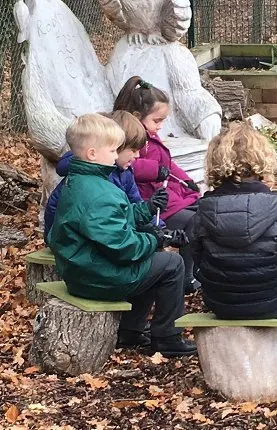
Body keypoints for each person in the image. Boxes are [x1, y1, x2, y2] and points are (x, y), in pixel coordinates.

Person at [48, 113, 196, 357]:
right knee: (172, 263)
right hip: (96, 277)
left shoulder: (79, 181)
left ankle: (130, 330)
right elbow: (123, 247)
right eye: (113, 150)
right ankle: (167, 336)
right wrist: (158, 239)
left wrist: (145, 209)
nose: (117, 156)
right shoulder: (99, 193)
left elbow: (115, 218)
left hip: (81, 270)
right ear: (92, 153)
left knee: (152, 263)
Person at [187, 122, 277, 380]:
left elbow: (197, 259)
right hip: (271, 300)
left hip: (221, 302)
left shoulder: (203, 212)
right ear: (264, 160)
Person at [114, 76, 201, 294]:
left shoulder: (151, 135)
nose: (160, 126)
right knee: (193, 222)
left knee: (203, 211)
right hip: (150, 203)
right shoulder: (133, 139)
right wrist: (154, 170)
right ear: (136, 116)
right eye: (156, 120)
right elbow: (131, 166)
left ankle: (198, 270)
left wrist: (186, 180)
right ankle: (187, 278)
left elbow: (168, 164)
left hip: (166, 195)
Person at [44, 111, 167, 243]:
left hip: (94, 235)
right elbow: (109, 224)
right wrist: (150, 237)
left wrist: (159, 226)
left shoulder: (125, 172)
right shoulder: (95, 181)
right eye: (133, 150)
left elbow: (130, 206)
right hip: (71, 243)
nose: (137, 156)